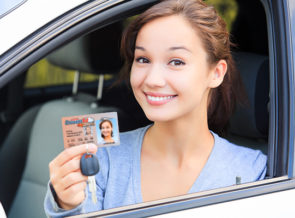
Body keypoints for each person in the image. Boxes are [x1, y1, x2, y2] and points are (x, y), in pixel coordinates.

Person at [44, 0, 267, 216]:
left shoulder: (253, 170)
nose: (153, 79)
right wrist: (68, 205)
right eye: (143, 59)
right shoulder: (100, 160)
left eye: (176, 61)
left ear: (216, 73)